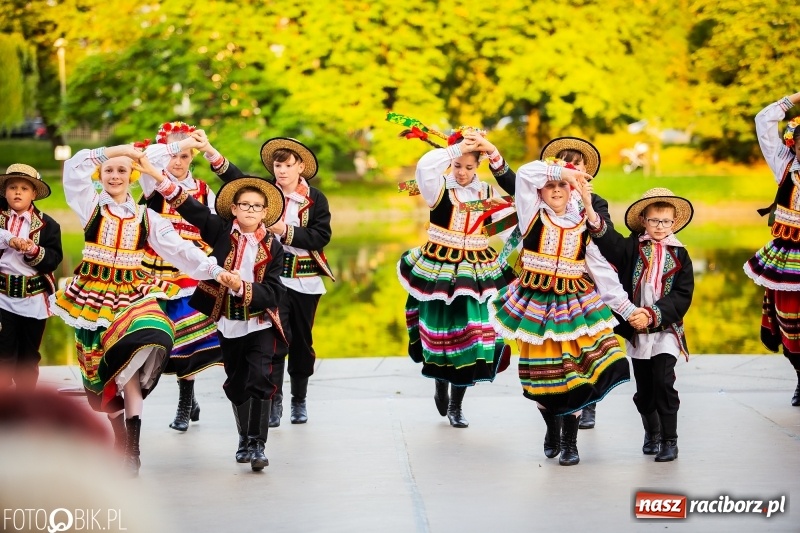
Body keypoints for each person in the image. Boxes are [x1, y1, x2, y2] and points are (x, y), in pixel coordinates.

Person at [50, 140, 231, 476]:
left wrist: (215, 270)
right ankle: (120, 439)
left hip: (133, 291)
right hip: (93, 298)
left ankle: (132, 450)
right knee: (100, 375)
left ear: (132, 176)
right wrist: (117, 150)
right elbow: (74, 167)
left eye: (122, 170)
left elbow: (180, 250)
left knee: (146, 341)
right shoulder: (90, 204)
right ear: (100, 175)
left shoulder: (147, 217)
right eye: (108, 170)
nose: (115, 176)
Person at [140, 148, 287, 472]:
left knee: (260, 379)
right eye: (245, 205)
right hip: (227, 323)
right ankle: (243, 439)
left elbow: (275, 292)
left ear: (265, 212)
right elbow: (187, 204)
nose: (250, 210)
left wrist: (242, 287)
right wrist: (154, 173)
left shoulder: (274, 247)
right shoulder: (219, 231)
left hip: (260, 323)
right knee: (236, 382)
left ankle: (258, 445)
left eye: (257, 206)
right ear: (234, 208)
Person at [488, 158, 640, 466]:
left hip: (573, 307)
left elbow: (602, 273)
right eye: (550, 185)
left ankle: (570, 442)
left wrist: (627, 309)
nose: (557, 190)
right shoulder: (531, 214)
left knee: (575, 373)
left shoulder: (583, 226)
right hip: (535, 307)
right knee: (540, 376)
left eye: (563, 186)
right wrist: (565, 172)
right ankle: (551, 428)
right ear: (539, 191)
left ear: (572, 192)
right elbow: (526, 174)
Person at [199, 134, 333, 427]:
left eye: (287, 165)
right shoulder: (265, 194)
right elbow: (235, 178)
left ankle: (299, 399)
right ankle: (274, 401)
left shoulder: (315, 198)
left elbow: (321, 236)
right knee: (274, 340)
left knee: (301, 341)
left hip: (305, 280)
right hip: (272, 281)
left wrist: (284, 230)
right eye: (277, 165)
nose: (281, 171)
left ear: (300, 167)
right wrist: (209, 150)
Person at [482, 135, 613, 429]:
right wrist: (493, 154)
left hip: (578, 289)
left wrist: (623, 305)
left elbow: (605, 248)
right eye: (565, 165)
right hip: (537, 294)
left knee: (577, 360)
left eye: (576, 166)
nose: (570, 169)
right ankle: (553, 429)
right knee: (543, 368)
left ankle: (578, 421)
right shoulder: (535, 206)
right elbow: (521, 179)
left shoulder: (592, 205)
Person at [397, 128, 516, 428]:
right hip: (439, 269)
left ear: (478, 166)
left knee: (473, 334)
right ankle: (440, 383)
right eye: (457, 165)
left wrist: (525, 250)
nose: (462, 172)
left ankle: (457, 404)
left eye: (469, 166)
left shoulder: (487, 193)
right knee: (440, 333)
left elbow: (503, 228)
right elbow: (425, 166)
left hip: (476, 271)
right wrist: (456, 148)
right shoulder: (437, 187)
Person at [585, 187, 695, 462]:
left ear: (674, 223)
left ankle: (670, 440)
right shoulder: (631, 247)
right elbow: (607, 241)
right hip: (637, 331)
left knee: (663, 382)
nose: (660, 226)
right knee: (645, 389)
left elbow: (682, 295)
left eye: (666, 221)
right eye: (654, 220)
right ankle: (652, 433)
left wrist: (652, 313)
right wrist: (589, 208)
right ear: (643, 220)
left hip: (666, 329)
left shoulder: (681, 255)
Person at [140, 121, 223, 432]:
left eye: (185, 156)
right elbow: (148, 155)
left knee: (187, 333)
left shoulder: (203, 190)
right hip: (154, 267)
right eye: (172, 155)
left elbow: (216, 228)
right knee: (155, 335)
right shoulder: (152, 181)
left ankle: (185, 401)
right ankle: (186, 399)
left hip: (190, 267)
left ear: (192, 158)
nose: (177, 161)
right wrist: (176, 145)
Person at [745, 91, 800, 407]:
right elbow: (764, 121)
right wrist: (795, 98)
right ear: (794, 144)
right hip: (789, 255)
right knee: (789, 320)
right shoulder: (784, 163)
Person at [0, 164, 63, 391]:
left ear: (34, 194)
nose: (17, 192)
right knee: (3, 352)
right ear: (4, 192)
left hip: (33, 300)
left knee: (28, 356)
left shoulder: (48, 225)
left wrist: (33, 251)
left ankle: (25, 401)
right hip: (2, 297)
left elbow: (54, 259)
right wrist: (9, 239)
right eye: (12, 187)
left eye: (24, 188)